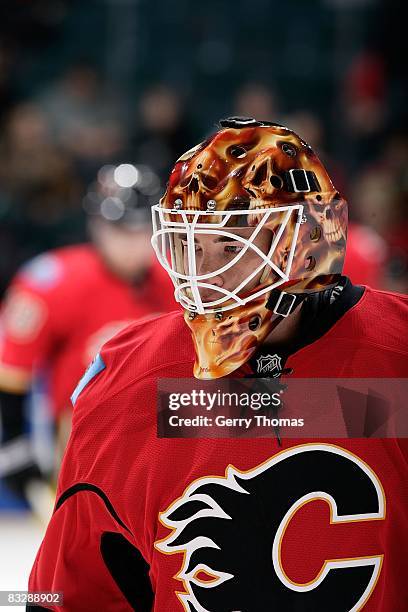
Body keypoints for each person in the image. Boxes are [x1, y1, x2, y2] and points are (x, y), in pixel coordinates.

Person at [28, 118, 407, 611]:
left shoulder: (393, 353)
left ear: (304, 241)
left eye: (230, 245)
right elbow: (64, 595)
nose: (203, 275)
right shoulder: (130, 379)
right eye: (190, 244)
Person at [0, 163, 175, 510]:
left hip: (171, 438)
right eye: (121, 230)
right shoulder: (52, 280)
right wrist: (16, 445)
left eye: (143, 230)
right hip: (86, 442)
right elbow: (11, 372)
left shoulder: (181, 281)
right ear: (96, 225)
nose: (133, 243)